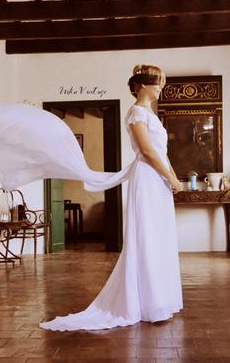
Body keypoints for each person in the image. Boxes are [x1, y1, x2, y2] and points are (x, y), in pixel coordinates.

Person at [40, 65, 183, 331]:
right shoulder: (136, 113)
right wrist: (170, 178)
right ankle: (145, 303)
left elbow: (162, 153)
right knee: (147, 237)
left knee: (160, 236)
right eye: (157, 83)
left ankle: (160, 300)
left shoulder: (152, 114)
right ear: (141, 86)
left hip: (160, 180)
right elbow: (147, 152)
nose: (161, 87)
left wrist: (173, 180)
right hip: (148, 178)